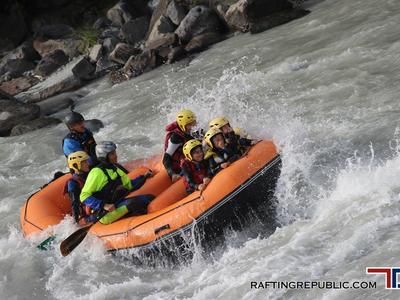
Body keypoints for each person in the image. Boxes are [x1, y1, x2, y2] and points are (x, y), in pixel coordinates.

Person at [80, 141, 154, 225]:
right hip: (104, 214)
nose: (115, 156)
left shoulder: (116, 169)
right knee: (134, 203)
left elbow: (130, 186)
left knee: (149, 198)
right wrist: (104, 205)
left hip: (118, 204)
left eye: (114, 152)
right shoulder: (96, 172)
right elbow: (84, 196)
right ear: (104, 157)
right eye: (112, 154)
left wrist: (144, 177)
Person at [163, 109, 197, 182]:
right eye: (190, 124)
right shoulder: (176, 138)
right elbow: (166, 158)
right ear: (182, 125)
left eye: (193, 123)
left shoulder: (191, 131)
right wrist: (172, 174)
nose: (193, 126)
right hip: (179, 165)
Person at [65, 151, 91, 223]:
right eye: (84, 162)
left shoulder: (89, 174)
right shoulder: (73, 183)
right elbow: (75, 204)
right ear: (76, 165)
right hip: (87, 212)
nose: (88, 164)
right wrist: (75, 222)